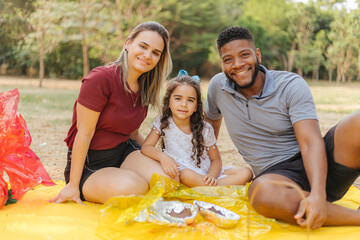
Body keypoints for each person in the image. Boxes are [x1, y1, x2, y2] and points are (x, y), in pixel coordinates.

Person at [204, 26, 360, 229]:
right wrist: (204, 163)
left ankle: (318, 201)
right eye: (228, 59)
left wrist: (318, 194)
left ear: (257, 54)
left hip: (318, 160)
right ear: (222, 63)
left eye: (244, 55)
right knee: (261, 194)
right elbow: (210, 123)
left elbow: (310, 142)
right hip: (279, 177)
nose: (238, 64)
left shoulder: (290, 85)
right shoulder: (218, 87)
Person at [49, 21, 173, 204]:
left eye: (156, 53)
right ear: (128, 43)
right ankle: (108, 181)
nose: (148, 55)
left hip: (124, 151)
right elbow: (84, 133)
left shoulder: (145, 87)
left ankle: (125, 176)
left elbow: (132, 133)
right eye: (143, 46)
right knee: (135, 188)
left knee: (168, 181)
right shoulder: (100, 79)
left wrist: (159, 156)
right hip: (91, 166)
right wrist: (73, 185)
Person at [141, 71, 253, 187]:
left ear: (196, 107)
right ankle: (215, 188)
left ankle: (212, 186)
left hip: (206, 173)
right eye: (178, 98)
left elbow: (216, 160)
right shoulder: (163, 122)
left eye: (190, 100)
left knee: (246, 172)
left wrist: (212, 176)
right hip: (185, 173)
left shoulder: (205, 129)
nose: (184, 104)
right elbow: (146, 147)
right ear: (168, 102)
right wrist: (163, 158)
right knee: (185, 175)